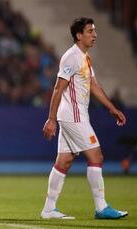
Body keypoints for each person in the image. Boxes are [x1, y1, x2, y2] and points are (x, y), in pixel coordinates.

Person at [41, 17, 128, 219]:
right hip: (74, 116)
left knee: (64, 161)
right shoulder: (72, 57)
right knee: (96, 156)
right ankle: (101, 207)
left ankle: (48, 209)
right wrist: (51, 119)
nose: (94, 34)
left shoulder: (84, 57)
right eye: (90, 31)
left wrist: (111, 108)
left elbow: (94, 86)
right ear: (79, 35)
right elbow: (58, 88)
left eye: (94, 31)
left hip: (75, 115)